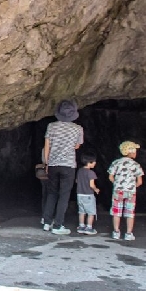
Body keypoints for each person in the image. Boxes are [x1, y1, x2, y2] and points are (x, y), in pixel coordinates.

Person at [42, 100, 84, 235]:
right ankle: (58, 225)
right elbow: (77, 146)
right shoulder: (78, 129)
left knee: (52, 193)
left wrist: (47, 163)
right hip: (68, 165)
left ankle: (47, 222)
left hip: (53, 164)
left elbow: (47, 145)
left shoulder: (51, 126)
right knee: (64, 195)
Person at [108, 140, 144, 241]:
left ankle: (116, 232)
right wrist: (132, 187)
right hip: (130, 192)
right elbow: (140, 181)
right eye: (135, 150)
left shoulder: (116, 162)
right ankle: (128, 234)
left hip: (118, 190)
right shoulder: (136, 165)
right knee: (130, 212)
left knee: (116, 212)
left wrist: (116, 184)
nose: (136, 152)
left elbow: (110, 177)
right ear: (131, 151)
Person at [76, 152, 100, 235]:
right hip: (88, 195)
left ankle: (81, 226)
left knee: (81, 211)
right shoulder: (91, 173)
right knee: (91, 212)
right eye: (94, 162)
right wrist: (96, 189)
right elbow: (91, 185)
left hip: (79, 194)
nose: (95, 163)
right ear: (89, 163)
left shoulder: (80, 171)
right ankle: (89, 227)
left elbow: (76, 181)